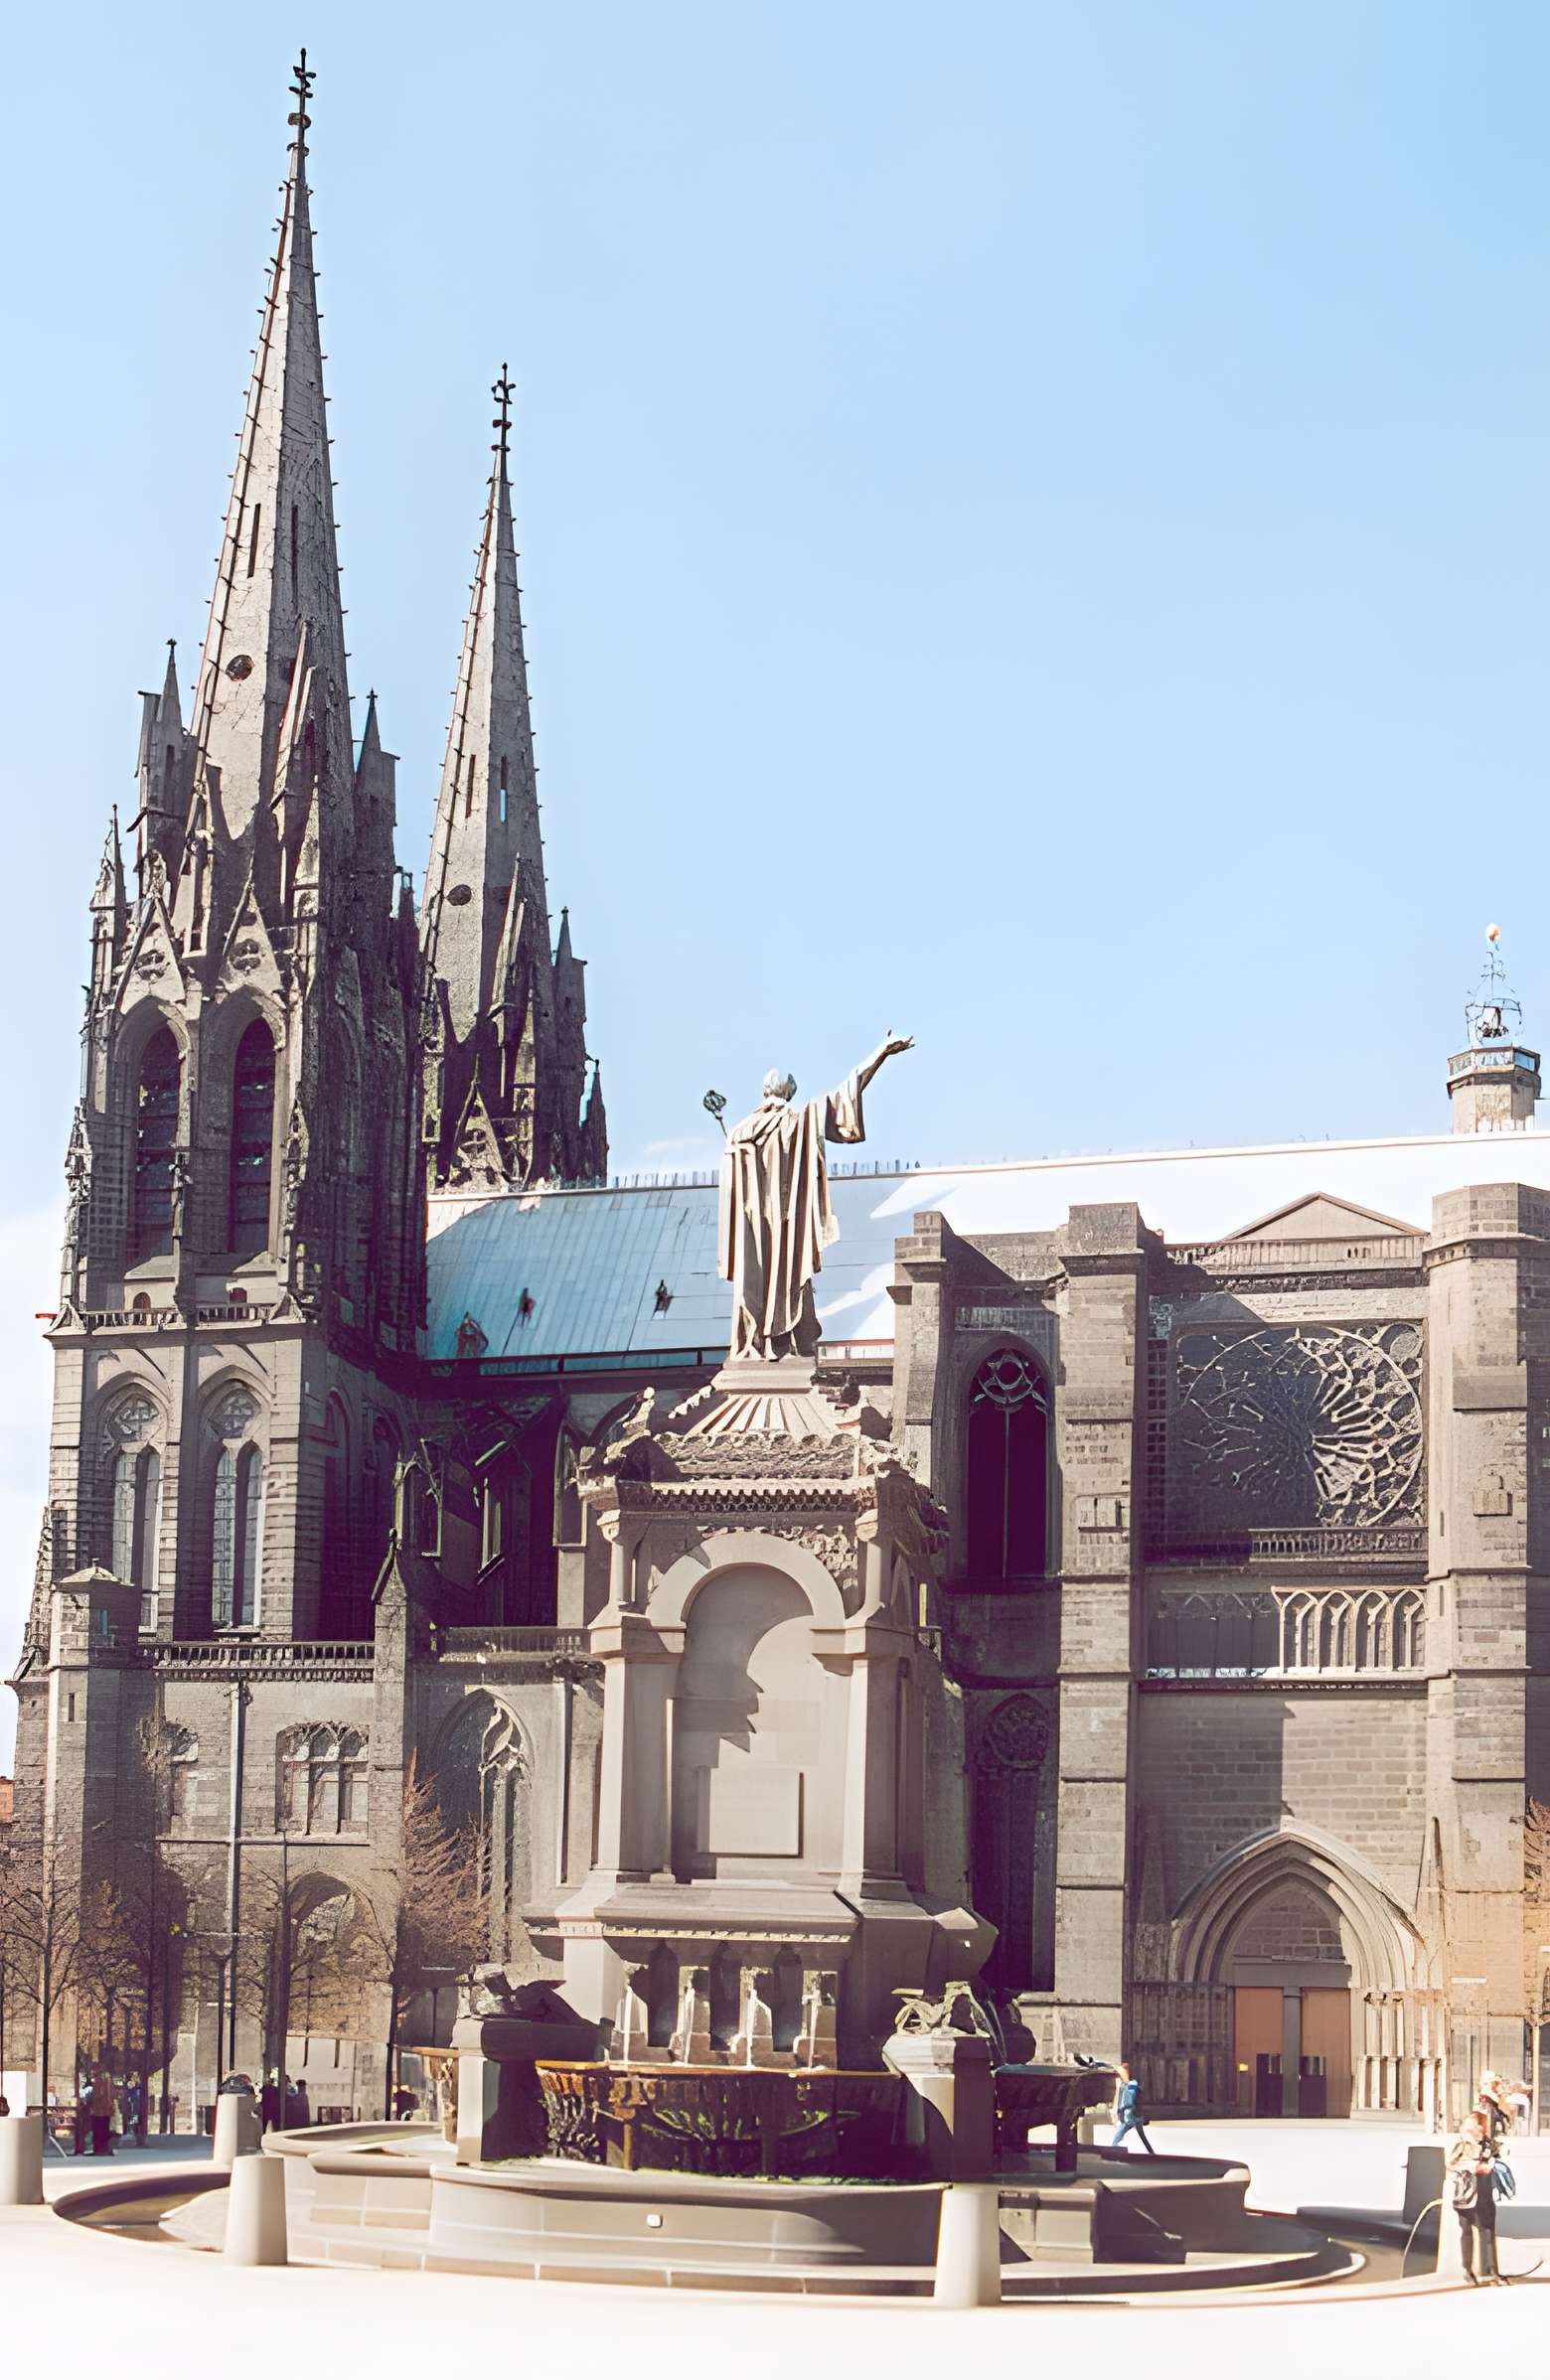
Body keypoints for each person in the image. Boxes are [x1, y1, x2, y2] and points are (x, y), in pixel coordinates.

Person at [1447, 2110, 1500, 2285]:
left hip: (1484, 2192)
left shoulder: (1488, 2144)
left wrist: (1494, 2162)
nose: (1474, 2128)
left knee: (1488, 2231)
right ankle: (1468, 2271)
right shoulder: (1462, 2144)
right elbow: (1450, 2163)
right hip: (1466, 2193)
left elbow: (1497, 2159)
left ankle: (1492, 2272)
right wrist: (1472, 2166)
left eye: (1477, 2124)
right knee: (1467, 2232)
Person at [1110, 2061, 1158, 2156]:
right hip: (1136, 2116)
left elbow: (1125, 2102)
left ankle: (1113, 2150)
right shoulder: (1132, 2084)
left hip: (1130, 2117)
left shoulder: (1129, 2086)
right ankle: (1152, 2153)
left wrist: (1118, 2110)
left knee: (1117, 2138)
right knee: (1142, 2137)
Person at [90, 2066, 115, 2157]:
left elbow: (98, 2095)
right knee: (104, 2129)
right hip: (104, 2111)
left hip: (100, 2111)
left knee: (100, 2130)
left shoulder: (100, 2081)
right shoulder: (107, 2080)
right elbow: (110, 2095)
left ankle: (100, 2149)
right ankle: (103, 2149)